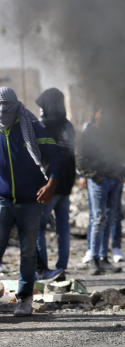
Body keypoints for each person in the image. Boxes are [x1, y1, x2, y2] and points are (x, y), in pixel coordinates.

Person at [0, 87, 64, 316]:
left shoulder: (31, 126)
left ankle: (25, 298)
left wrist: (51, 185)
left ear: (16, 105)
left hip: (30, 201)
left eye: (6, 105)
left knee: (28, 252)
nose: (2, 110)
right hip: (3, 200)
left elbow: (57, 157)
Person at [76, 106, 125, 275]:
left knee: (110, 219)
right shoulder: (88, 133)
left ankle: (104, 258)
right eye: (103, 112)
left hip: (113, 180)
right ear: (95, 114)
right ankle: (94, 259)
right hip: (98, 181)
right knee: (99, 218)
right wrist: (92, 175)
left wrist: (121, 173)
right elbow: (80, 158)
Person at [34, 88, 76, 282]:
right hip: (66, 184)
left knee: (39, 228)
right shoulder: (69, 127)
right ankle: (61, 269)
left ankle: (44, 270)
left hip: (50, 185)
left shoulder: (44, 127)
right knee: (63, 230)